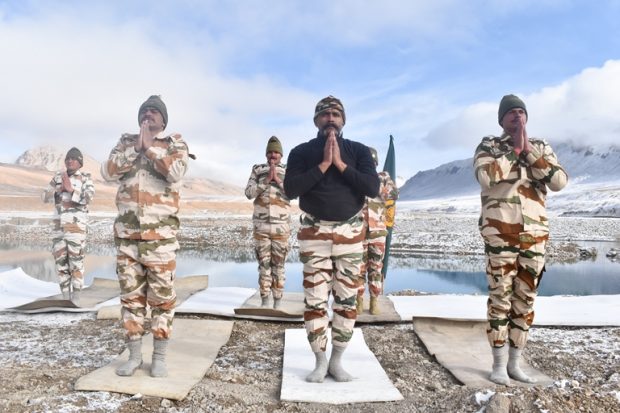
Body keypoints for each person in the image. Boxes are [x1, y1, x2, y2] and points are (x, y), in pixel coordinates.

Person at [284, 95, 379, 383]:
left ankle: (337, 360)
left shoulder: (358, 151)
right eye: (325, 115)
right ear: (316, 120)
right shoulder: (301, 152)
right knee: (315, 300)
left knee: (347, 300)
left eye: (336, 114)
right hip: (315, 234)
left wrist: (340, 163)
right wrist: (324, 164)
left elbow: (372, 188)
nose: (330, 119)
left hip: (350, 234)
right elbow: (290, 189)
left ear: (343, 120)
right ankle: (319, 360)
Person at [474, 94, 568, 385]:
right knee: (500, 297)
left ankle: (516, 363)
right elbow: (486, 177)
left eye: (521, 112)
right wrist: (514, 150)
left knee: (525, 299)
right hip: (500, 234)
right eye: (511, 113)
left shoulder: (540, 147)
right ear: (501, 120)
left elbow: (558, 181)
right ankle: (499, 364)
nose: (517, 116)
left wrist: (528, 152)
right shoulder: (489, 145)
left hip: (534, 235)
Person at [101, 95, 190, 378]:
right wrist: (134, 149)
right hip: (127, 239)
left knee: (162, 300)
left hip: (160, 240)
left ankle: (159, 357)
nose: (148, 115)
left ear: (163, 120)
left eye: (154, 112)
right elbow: (107, 172)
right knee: (131, 299)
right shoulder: (125, 143)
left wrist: (149, 149)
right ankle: (135, 356)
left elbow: (175, 172)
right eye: (144, 111)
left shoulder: (174, 143)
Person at [42, 147, 95, 303]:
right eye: (67, 159)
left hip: (75, 228)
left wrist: (71, 190)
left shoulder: (86, 178)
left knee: (76, 264)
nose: (69, 161)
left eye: (73, 158)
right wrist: (57, 191)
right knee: (61, 264)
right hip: (58, 227)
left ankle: (76, 298)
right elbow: (43, 196)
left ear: (80, 163)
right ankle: (65, 298)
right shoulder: (58, 177)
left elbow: (88, 198)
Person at [244, 136, 291, 309]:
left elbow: (293, 192)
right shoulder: (257, 169)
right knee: (264, 266)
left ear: (281, 155)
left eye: (276, 152)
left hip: (281, 228)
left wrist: (277, 180)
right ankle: (265, 301)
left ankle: (278, 302)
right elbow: (249, 193)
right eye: (270, 152)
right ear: (266, 154)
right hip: (261, 227)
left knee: (279, 267)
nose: (273, 155)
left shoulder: (288, 170)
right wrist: (265, 182)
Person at [356, 147, 399, 315]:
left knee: (375, 268)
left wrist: (374, 185)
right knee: (358, 269)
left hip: (378, 234)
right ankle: (358, 300)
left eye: (371, 163)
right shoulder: (355, 178)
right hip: (359, 233)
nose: (369, 165)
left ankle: (374, 300)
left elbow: (394, 194)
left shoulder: (383, 178)